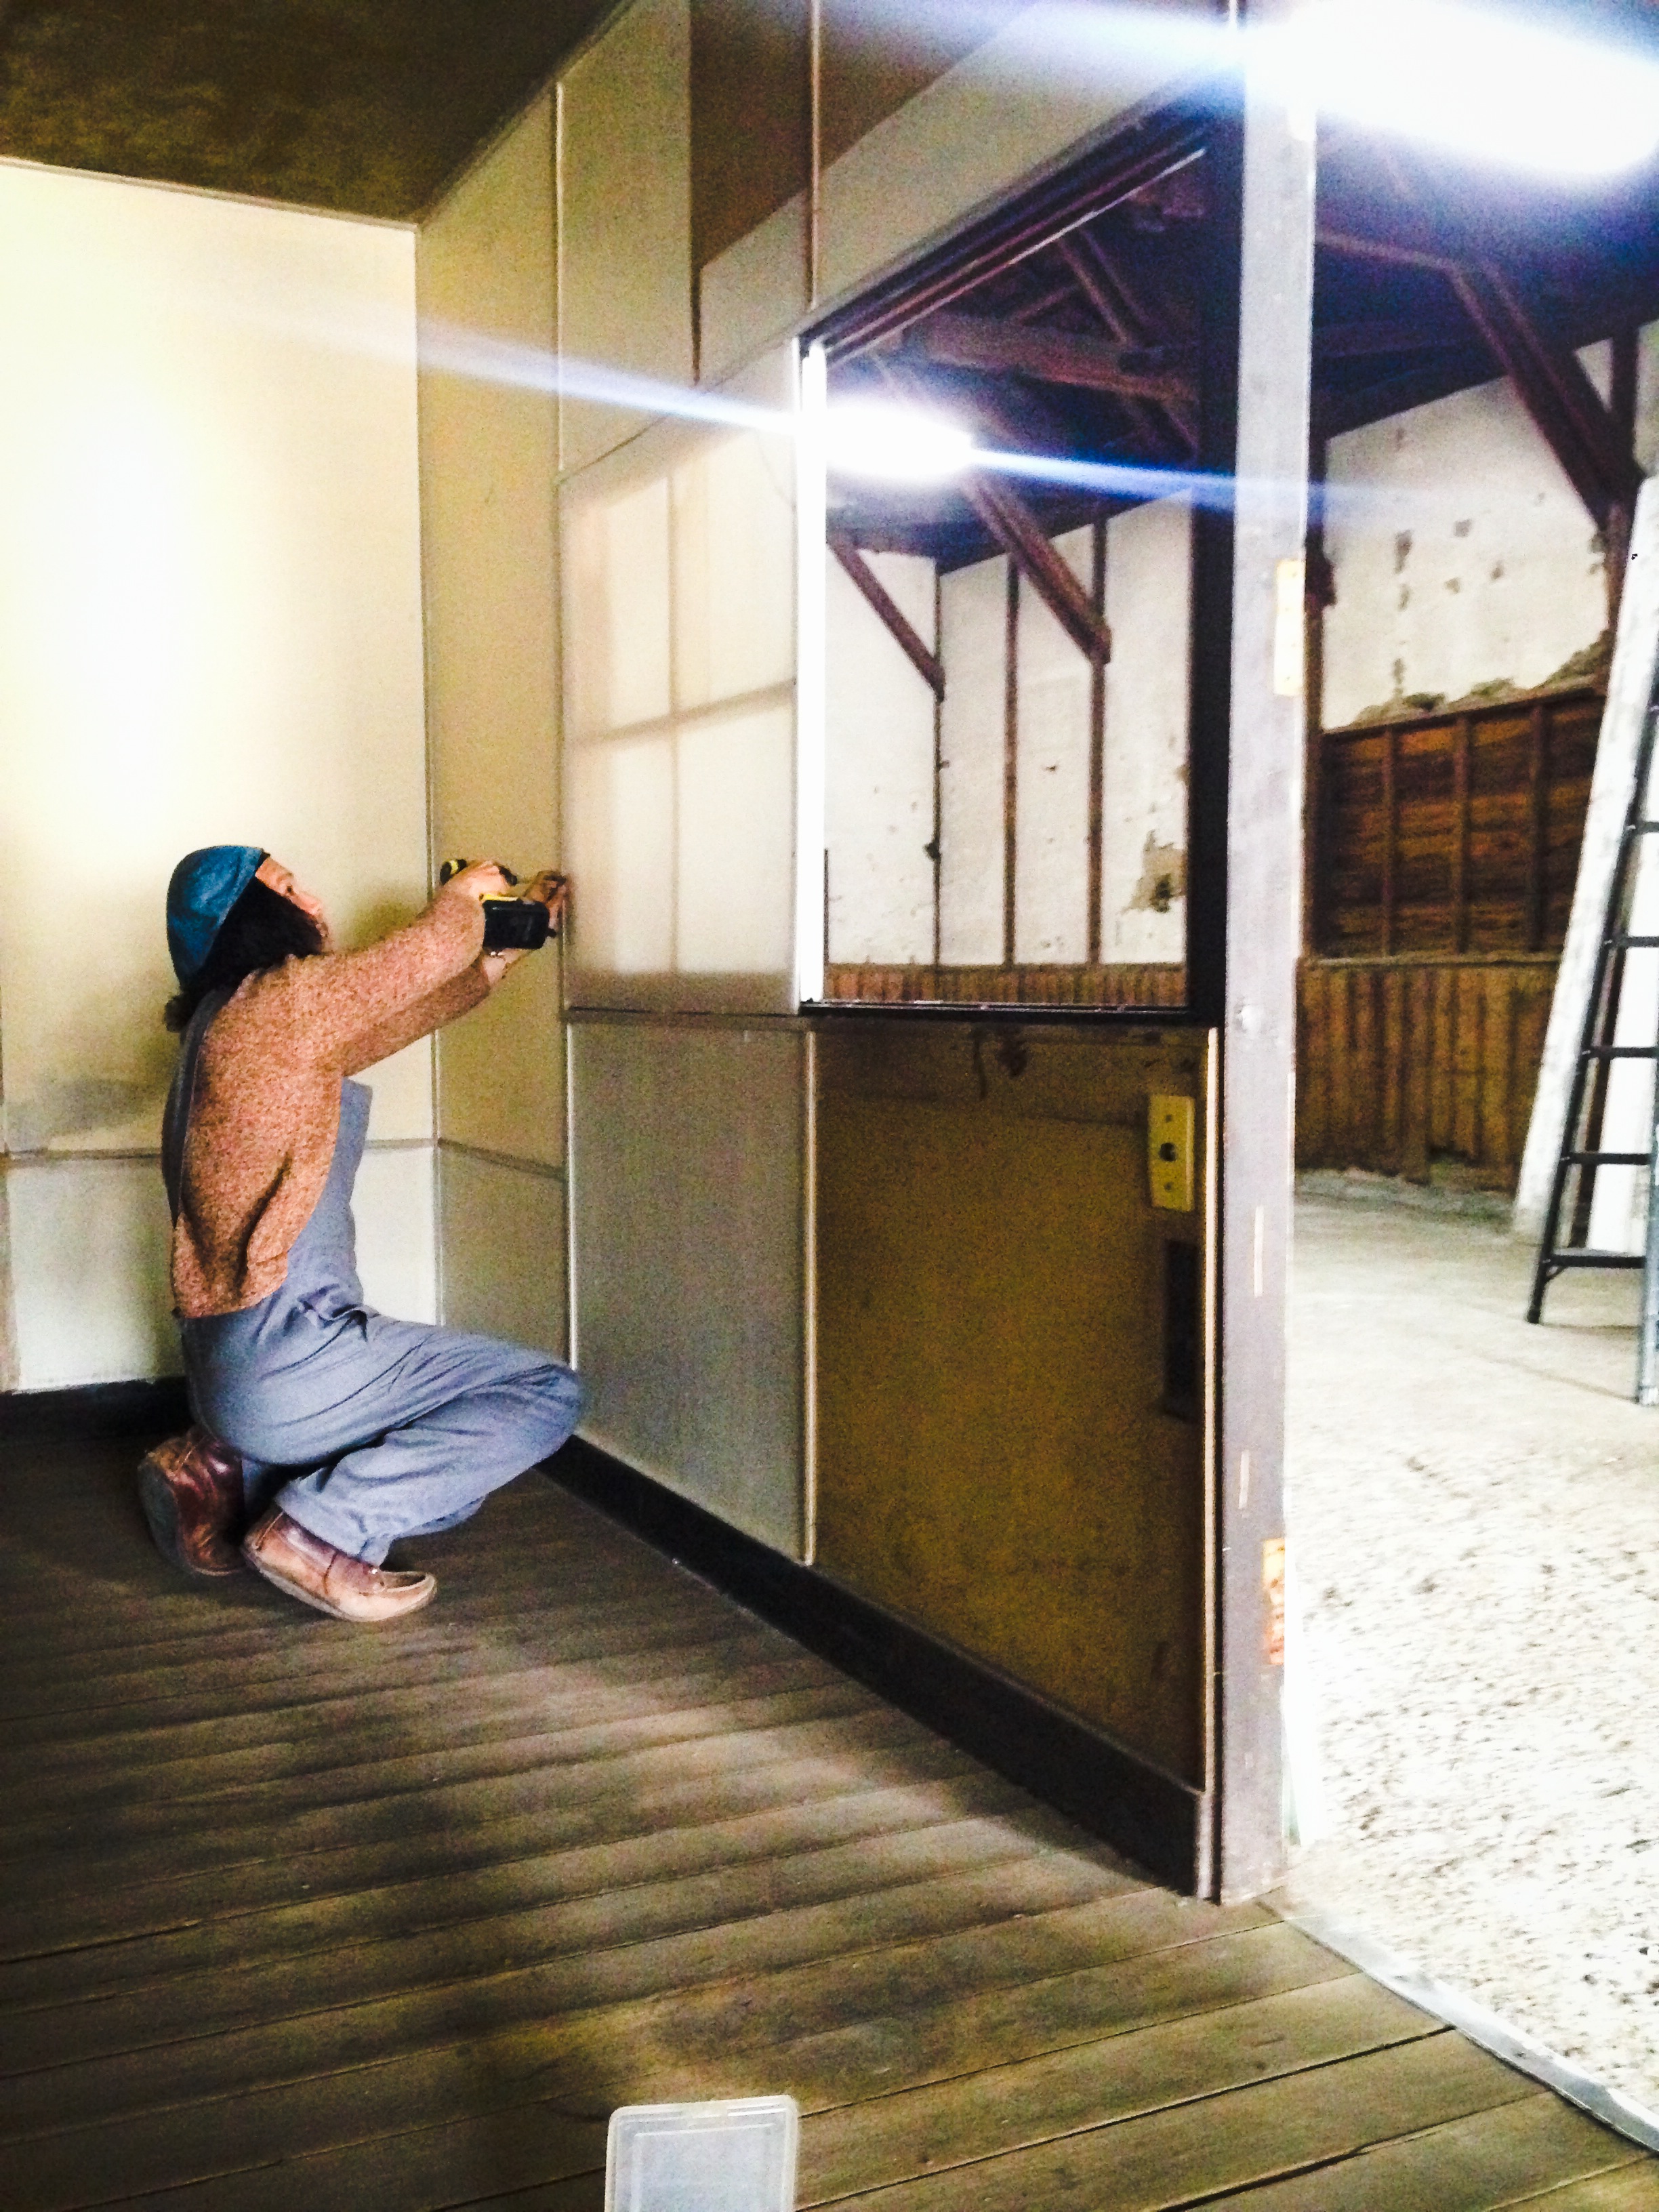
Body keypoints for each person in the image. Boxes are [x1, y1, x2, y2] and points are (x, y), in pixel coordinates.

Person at [137, 844, 582, 1624]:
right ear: (251, 914)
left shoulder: (228, 1026)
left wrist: (496, 959)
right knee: (545, 1392)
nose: (311, 898)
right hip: (290, 1355)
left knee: (445, 1485)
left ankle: (231, 1473)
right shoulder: (278, 1002)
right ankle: (316, 1532)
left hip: (227, 1372)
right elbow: (412, 960)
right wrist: (465, 899)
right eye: (287, 885)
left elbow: (393, 1014)